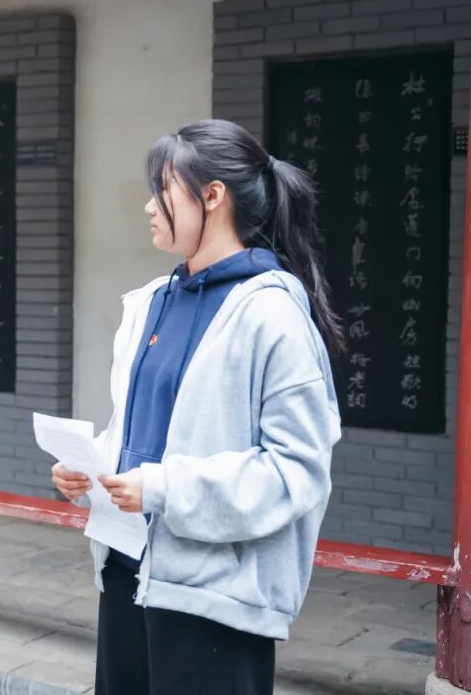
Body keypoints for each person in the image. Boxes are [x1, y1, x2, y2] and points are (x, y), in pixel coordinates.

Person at [52, 119, 343, 695]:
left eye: (162, 189)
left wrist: (162, 488)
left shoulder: (272, 315)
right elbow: (148, 432)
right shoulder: (153, 302)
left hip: (216, 599)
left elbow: (297, 470)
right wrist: (91, 468)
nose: (148, 206)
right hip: (127, 571)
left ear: (212, 196)